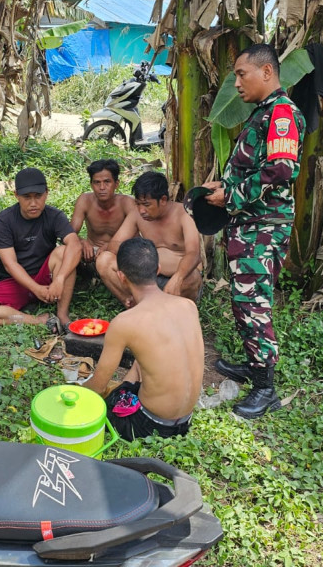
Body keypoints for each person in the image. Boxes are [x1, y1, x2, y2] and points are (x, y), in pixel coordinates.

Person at [201, 43, 305, 419]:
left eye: (241, 74)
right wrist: (224, 185)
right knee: (244, 300)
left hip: (264, 227)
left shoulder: (281, 114)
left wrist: (233, 192)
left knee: (253, 304)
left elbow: (282, 170)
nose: (237, 83)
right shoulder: (262, 113)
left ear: (267, 72)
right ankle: (253, 365)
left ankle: (266, 389)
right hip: (249, 223)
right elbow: (256, 168)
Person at [82, 238, 202, 441]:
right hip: (186, 421)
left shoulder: (124, 322)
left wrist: (77, 390)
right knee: (143, 359)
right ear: (158, 269)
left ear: (121, 277)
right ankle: (128, 389)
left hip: (149, 425)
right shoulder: (188, 306)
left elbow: (98, 387)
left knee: (108, 401)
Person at [0, 167, 81, 329]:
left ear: (46, 193)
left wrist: (60, 279)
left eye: (38, 196)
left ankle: (62, 315)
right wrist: (36, 289)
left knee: (64, 251)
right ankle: (37, 320)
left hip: (45, 276)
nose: (33, 203)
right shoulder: (3, 221)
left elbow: (75, 245)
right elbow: (10, 264)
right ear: (16, 196)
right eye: (27, 197)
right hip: (15, 281)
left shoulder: (54, 216)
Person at [96, 171, 202, 305]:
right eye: (138, 204)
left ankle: (170, 310)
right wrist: (141, 258)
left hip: (176, 280)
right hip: (145, 276)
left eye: (146, 205)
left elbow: (194, 254)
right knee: (104, 260)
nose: (141, 210)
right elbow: (115, 244)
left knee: (192, 277)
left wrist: (178, 278)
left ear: (163, 200)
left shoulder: (184, 214)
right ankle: (133, 304)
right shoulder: (137, 215)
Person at [70, 159, 137, 274]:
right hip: (90, 254)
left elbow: (137, 240)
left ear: (116, 184)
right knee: (63, 250)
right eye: (97, 182)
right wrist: (82, 242)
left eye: (107, 182)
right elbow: (69, 233)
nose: (102, 187)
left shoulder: (127, 203)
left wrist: (111, 246)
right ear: (91, 184)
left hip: (117, 254)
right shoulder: (85, 200)